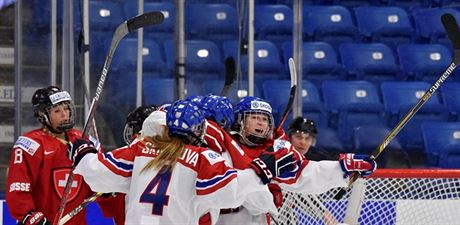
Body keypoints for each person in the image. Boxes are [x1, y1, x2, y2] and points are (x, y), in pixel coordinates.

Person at [68, 100, 295, 225]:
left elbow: (97, 174)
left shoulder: (139, 149)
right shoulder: (202, 157)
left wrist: (83, 154)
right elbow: (230, 191)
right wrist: (261, 170)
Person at [203, 96, 377, 225]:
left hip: (254, 220)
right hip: (215, 216)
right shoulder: (222, 143)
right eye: (255, 117)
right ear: (240, 120)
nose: (261, 123)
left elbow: (306, 174)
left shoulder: (275, 150)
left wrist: (343, 168)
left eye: (265, 119)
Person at [5, 86, 97, 225]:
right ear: (42, 115)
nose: (65, 115)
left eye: (66, 108)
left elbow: (98, 179)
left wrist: (106, 188)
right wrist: (32, 218)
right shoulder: (30, 145)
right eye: (57, 111)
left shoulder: (85, 141)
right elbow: (18, 188)